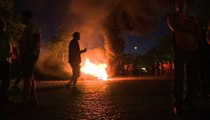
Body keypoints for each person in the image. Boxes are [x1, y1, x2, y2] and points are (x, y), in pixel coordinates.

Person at [167, 0, 201, 115]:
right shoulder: (172, 18)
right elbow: (175, 27)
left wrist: (187, 27)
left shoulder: (192, 19)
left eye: (183, 3)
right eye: (178, 4)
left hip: (192, 48)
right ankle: (178, 104)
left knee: (192, 77)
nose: (181, 6)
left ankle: (189, 102)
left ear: (186, 6)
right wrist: (189, 27)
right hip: (180, 48)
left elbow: (198, 31)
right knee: (179, 77)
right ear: (176, 6)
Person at [20, 9, 41, 105]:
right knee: (30, 77)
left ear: (27, 17)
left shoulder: (33, 26)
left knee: (26, 77)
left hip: (30, 55)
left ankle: (24, 100)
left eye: (22, 17)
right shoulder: (28, 27)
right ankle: (33, 99)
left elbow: (36, 40)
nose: (21, 19)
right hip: (28, 54)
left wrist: (28, 52)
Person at [0, 16, 13, 104]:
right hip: (5, 60)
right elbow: (10, 47)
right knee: (5, 80)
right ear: (3, 25)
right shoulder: (7, 35)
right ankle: (3, 98)